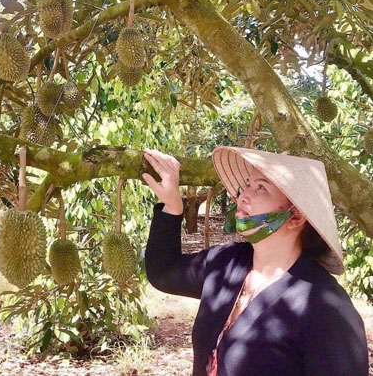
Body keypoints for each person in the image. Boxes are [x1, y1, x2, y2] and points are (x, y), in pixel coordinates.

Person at [142, 146, 368, 376]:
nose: (243, 196)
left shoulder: (326, 309)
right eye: (247, 186)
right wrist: (172, 205)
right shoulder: (227, 263)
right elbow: (163, 271)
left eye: (261, 188)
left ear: (296, 216)